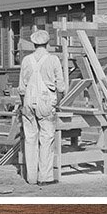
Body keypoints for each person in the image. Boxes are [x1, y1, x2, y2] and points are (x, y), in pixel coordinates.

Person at [18, 28, 65, 186]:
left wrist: (23, 105)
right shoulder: (53, 60)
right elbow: (61, 86)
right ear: (47, 43)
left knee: (30, 139)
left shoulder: (26, 60)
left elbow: (21, 87)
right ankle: (44, 178)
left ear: (33, 44)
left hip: (28, 100)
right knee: (46, 139)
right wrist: (57, 102)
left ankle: (31, 178)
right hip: (46, 101)